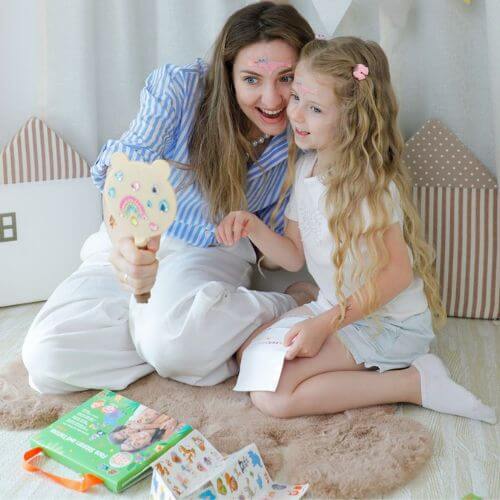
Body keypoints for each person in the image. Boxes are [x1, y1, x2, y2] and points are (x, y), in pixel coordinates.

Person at [21, 2, 316, 394]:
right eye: (251, 79)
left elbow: (282, 248)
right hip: (140, 236)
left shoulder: (308, 128)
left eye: (286, 78)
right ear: (227, 74)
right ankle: (176, 336)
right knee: (46, 358)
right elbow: (125, 165)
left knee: (172, 342)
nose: (272, 99)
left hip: (212, 253)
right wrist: (126, 247)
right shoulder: (181, 87)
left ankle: (284, 304)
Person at [217, 36, 496, 424]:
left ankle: (415, 382)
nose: (295, 115)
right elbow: (293, 254)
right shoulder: (306, 169)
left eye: (314, 108)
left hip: (388, 325)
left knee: (272, 397)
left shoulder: (370, 185)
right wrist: (253, 227)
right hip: (338, 310)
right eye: (296, 98)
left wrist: (323, 324)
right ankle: (345, 352)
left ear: (352, 117)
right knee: (247, 357)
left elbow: (396, 274)